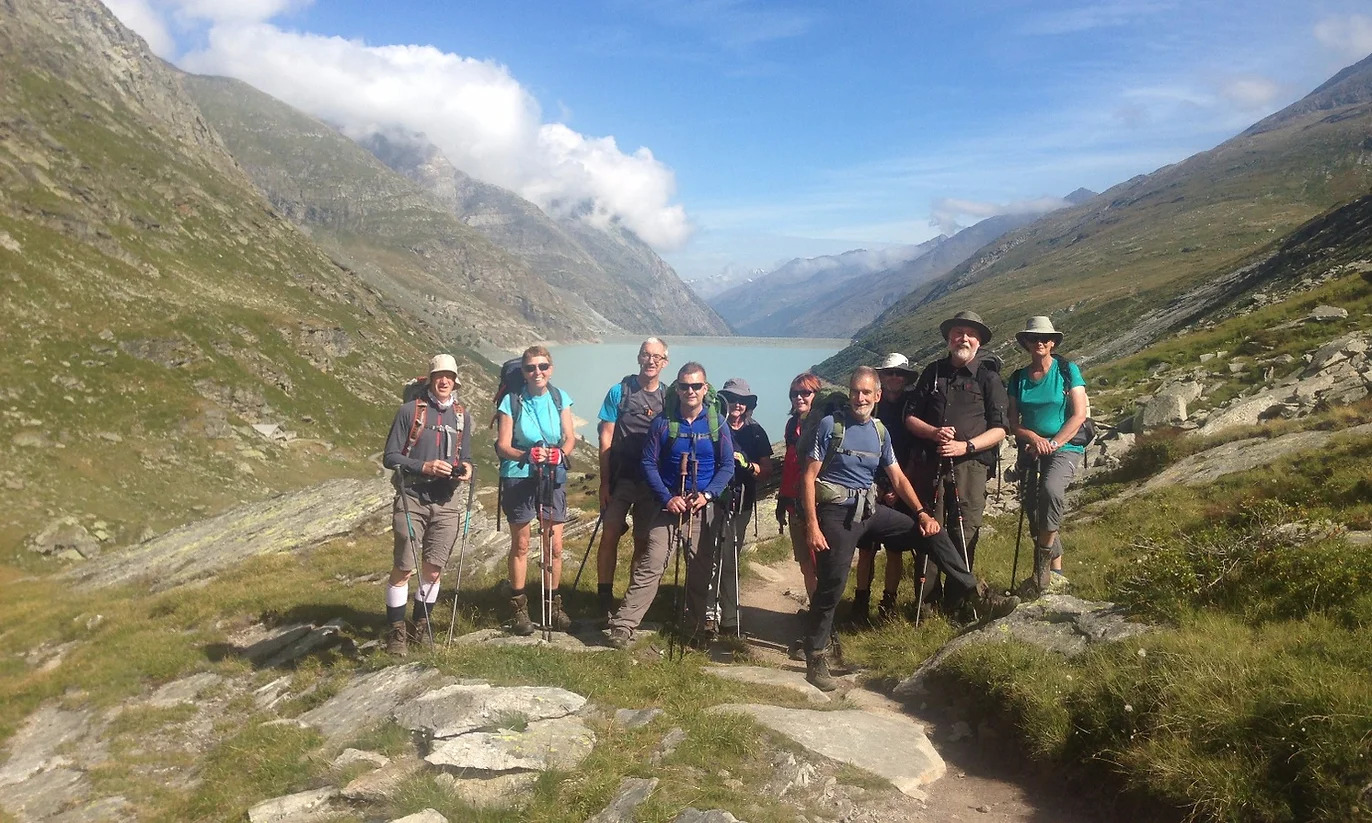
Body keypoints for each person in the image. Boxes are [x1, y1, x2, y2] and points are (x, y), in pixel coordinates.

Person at [799, 367, 1016, 691]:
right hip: (836, 515)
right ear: (850, 393)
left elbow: (898, 478)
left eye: (866, 393)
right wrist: (812, 526)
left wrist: (922, 514)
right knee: (832, 584)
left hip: (871, 511)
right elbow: (808, 477)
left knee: (930, 533)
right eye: (855, 391)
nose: (860, 398)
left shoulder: (880, 432)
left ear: (877, 396)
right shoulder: (832, 426)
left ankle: (975, 591)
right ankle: (816, 656)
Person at [608, 362, 735, 648]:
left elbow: (727, 466)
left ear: (705, 389)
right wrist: (668, 498)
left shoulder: (717, 424)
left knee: (700, 569)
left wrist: (708, 495)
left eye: (696, 386)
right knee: (651, 563)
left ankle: (695, 628)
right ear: (676, 389)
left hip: (701, 506)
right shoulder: (663, 423)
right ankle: (623, 625)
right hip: (666, 506)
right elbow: (648, 463)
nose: (690, 391)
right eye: (684, 386)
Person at [906, 310, 1009, 610]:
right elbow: (909, 417)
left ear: (978, 341)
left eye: (970, 333)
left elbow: (1001, 429)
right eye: (957, 333)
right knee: (930, 528)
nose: (963, 338)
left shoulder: (988, 378)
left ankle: (958, 601)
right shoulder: (933, 372)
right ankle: (926, 603)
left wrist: (966, 447)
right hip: (932, 463)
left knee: (964, 532)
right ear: (949, 338)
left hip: (972, 466)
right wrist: (934, 431)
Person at [381, 354, 474, 656]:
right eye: (439, 376)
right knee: (405, 567)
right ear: (431, 379)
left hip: (446, 500)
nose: (444, 381)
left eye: (449, 376)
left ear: (455, 380)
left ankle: (420, 628)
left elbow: (467, 456)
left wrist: (467, 469)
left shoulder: (462, 416)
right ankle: (396, 633)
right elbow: (391, 457)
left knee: (433, 569)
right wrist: (425, 467)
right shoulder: (410, 411)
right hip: (412, 497)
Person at [494, 345, 577, 635]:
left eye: (542, 367)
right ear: (524, 372)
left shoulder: (559, 398)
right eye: (531, 368)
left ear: (550, 369)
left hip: (552, 475)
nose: (537, 372)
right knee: (522, 545)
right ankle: (519, 608)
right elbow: (502, 446)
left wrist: (560, 454)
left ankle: (553, 605)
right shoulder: (510, 402)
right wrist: (526, 456)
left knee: (554, 545)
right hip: (518, 476)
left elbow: (569, 438)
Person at [1007, 316, 1088, 595]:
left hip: (1065, 447)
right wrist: (1033, 439)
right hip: (1031, 448)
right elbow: (1013, 422)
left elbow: (1079, 414)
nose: (1039, 342)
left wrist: (1052, 443)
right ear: (1026, 343)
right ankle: (1056, 570)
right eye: (1033, 338)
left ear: (1052, 342)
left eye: (1045, 338)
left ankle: (1043, 569)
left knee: (1051, 491)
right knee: (1033, 510)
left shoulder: (1068, 370)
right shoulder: (1018, 379)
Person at [593, 337, 669, 622]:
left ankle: (632, 600)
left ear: (665, 362)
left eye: (657, 357)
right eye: (646, 355)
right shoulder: (620, 392)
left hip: (651, 482)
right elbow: (606, 437)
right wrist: (604, 482)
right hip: (620, 478)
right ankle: (603, 597)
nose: (651, 361)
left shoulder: (667, 397)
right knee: (610, 531)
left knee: (642, 540)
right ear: (639, 358)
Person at [850, 353, 919, 624]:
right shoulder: (872, 408)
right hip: (870, 484)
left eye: (899, 374)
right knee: (865, 549)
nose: (894, 378)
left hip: (899, 484)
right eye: (889, 374)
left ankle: (888, 603)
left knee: (894, 549)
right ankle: (861, 602)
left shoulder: (911, 408)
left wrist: (898, 488)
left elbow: (915, 452)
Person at [715, 377, 772, 634]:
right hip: (713, 501)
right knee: (710, 557)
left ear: (748, 404)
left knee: (729, 560)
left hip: (741, 503)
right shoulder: (713, 426)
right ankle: (708, 614)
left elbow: (766, 469)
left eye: (741, 400)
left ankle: (728, 617)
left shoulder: (756, 431)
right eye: (731, 399)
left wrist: (748, 466)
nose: (736, 405)